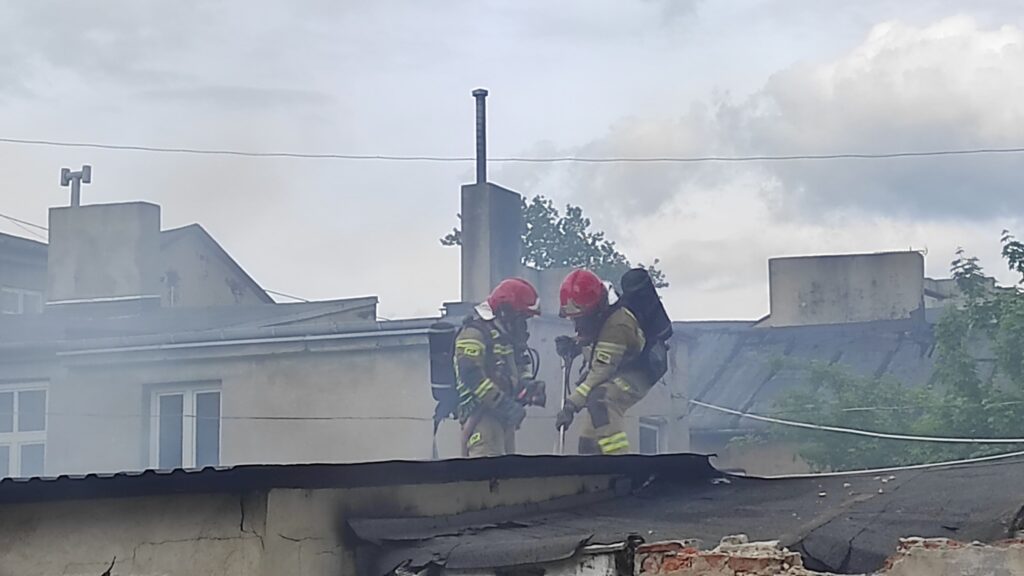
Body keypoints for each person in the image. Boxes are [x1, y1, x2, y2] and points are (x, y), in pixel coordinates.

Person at [554, 269, 655, 455]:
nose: (577, 325)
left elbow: (601, 372)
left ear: (594, 310)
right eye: (573, 319)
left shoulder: (618, 325)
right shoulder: (601, 314)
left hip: (638, 373)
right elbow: (596, 339)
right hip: (618, 368)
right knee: (591, 434)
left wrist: (571, 405)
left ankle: (619, 463)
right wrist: (576, 345)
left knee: (601, 399)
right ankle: (589, 462)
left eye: (580, 319)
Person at [454, 278, 546, 457]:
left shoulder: (504, 336)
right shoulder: (473, 333)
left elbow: (517, 366)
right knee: (488, 471)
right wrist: (504, 404)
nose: (524, 326)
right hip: (480, 418)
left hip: (502, 416)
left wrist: (528, 385)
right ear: (506, 313)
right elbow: (470, 375)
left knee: (507, 471)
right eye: (522, 318)